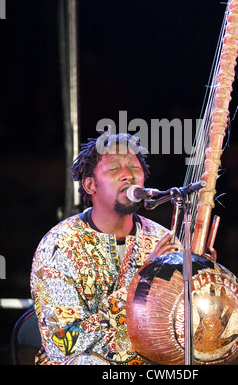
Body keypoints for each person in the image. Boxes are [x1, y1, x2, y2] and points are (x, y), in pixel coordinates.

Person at [30, 131, 180, 365]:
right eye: (114, 167)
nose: (127, 175)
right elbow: (62, 344)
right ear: (90, 184)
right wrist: (140, 283)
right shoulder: (59, 246)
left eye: (134, 167)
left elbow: (176, 324)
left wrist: (200, 278)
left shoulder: (161, 239)